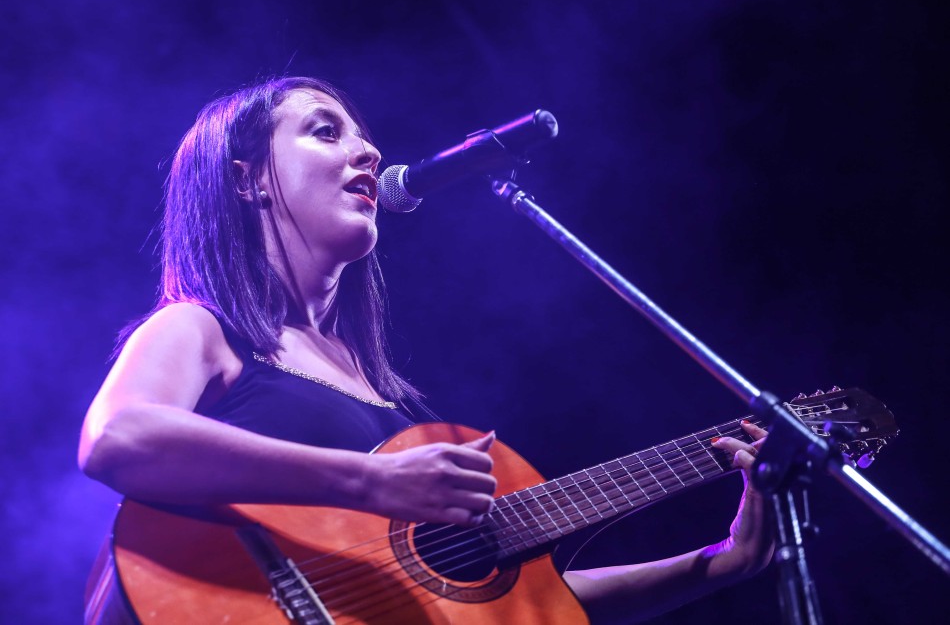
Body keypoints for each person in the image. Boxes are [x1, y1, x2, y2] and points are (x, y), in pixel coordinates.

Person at [79, 76, 773, 624]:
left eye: (365, 137)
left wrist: (722, 562)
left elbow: (525, 609)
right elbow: (116, 437)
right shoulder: (202, 329)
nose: (369, 152)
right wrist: (370, 481)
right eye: (326, 132)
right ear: (247, 179)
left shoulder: (398, 406)